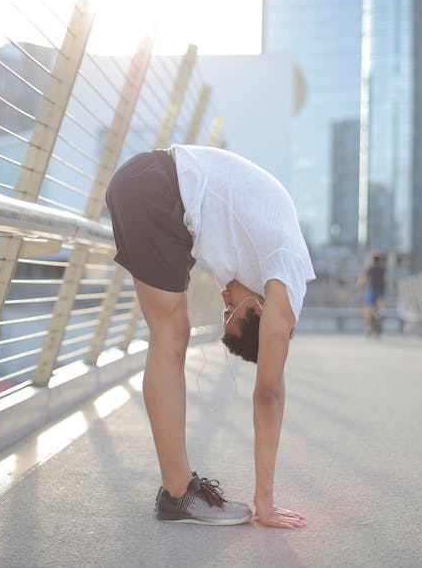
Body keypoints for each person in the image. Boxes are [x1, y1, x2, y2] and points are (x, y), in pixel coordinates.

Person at [104, 145, 315, 529]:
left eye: (225, 309)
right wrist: (264, 502)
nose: (224, 297)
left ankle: (177, 489)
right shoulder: (284, 275)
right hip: (156, 188)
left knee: (170, 332)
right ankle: (177, 492)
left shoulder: (271, 268)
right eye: (230, 311)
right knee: (171, 333)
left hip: (159, 192)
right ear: (260, 311)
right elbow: (269, 391)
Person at [357, 251, 387, 337]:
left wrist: (359, 286)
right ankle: (381, 311)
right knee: (381, 304)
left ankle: (368, 328)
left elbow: (363, 280)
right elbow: (386, 280)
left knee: (368, 310)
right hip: (381, 290)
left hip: (372, 290)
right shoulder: (383, 269)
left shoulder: (370, 268)